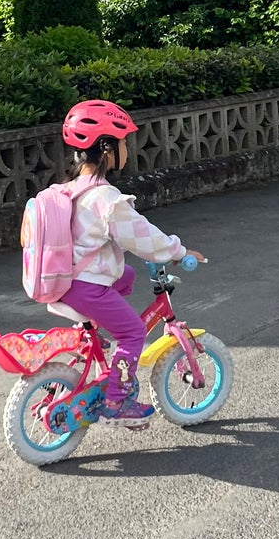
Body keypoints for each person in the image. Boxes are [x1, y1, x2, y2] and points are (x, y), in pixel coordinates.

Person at [57, 99, 205, 425]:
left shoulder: (69, 190)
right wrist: (178, 252)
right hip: (87, 287)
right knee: (134, 332)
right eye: (124, 143)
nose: (127, 150)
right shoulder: (106, 199)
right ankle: (117, 402)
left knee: (124, 275)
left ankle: (94, 334)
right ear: (107, 148)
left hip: (64, 281)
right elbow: (142, 237)